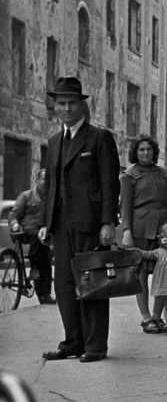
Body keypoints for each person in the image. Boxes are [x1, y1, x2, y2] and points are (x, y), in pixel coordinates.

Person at [38, 77, 120, 362]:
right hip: (61, 225)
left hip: (91, 224)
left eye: (72, 103)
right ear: (55, 106)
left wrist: (108, 222)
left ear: (82, 105)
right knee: (63, 285)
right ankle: (73, 341)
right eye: (61, 103)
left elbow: (110, 182)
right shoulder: (53, 142)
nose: (66, 108)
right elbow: (49, 187)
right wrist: (44, 223)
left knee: (93, 282)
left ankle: (96, 345)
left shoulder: (99, 138)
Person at [120, 134, 167, 333]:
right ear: (135, 152)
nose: (145, 153)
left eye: (149, 149)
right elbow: (125, 206)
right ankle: (145, 318)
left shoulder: (164, 174)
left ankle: (157, 315)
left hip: (165, 227)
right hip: (141, 228)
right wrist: (126, 231)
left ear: (154, 152)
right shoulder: (129, 175)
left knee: (166, 273)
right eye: (141, 150)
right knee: (141, 273)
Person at [8, 169, 55, 304]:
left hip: (43, 234)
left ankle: (44, 293)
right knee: (37, 236)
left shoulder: (51, 198)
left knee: (46, 257)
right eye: (44, 179)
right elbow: (13, 214)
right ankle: (34, 269)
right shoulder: (26, 196)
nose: (47, 182)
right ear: (37, 180)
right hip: (26, 231)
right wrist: (15, 224)